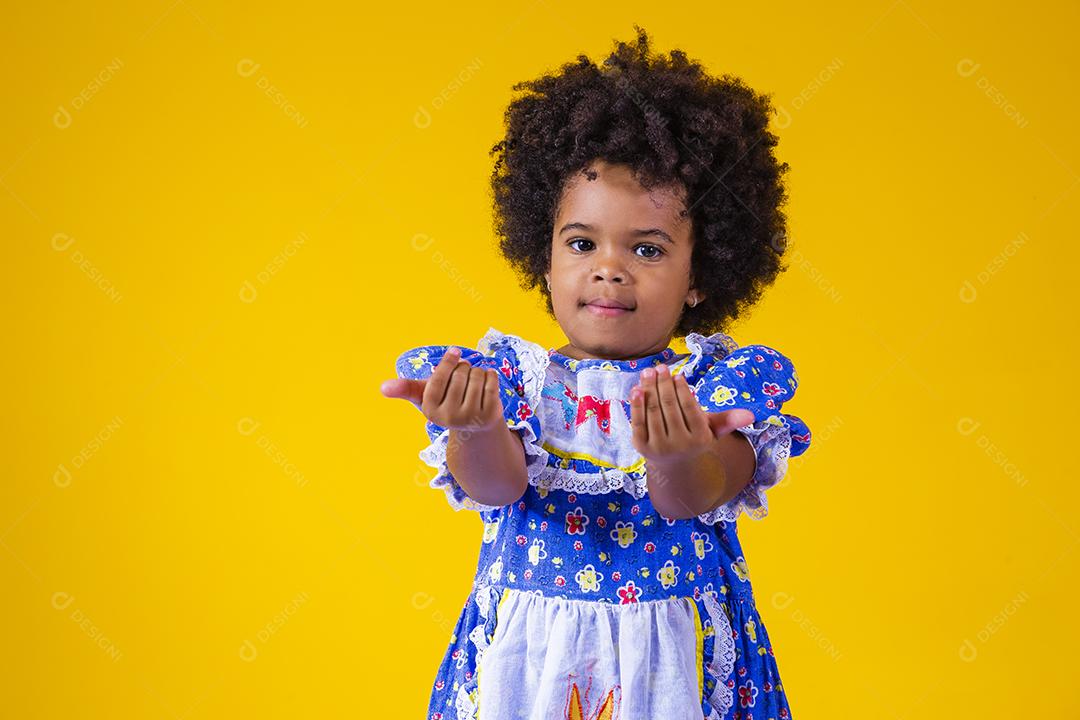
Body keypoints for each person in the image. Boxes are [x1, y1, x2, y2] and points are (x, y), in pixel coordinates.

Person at [380, 25, 811, 720]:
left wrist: (679, 456)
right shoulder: (511, 383)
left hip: (672, 670)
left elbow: (693, 496)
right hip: (530, 667)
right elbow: (497, 486)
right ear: (544, 259)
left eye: (648, 250)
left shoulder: (714, 390)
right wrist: (476, 428)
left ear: (700, 275)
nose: (609, 268)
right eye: (582, 243)